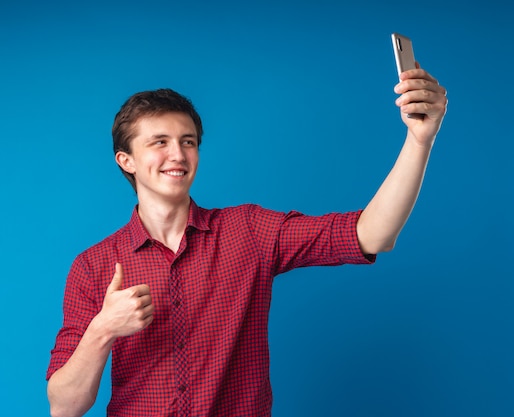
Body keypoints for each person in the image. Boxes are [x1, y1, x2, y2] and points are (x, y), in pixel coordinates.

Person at [46, 65, 447, 417]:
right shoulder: (94, 266)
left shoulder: (249, 231)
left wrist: (419, 140)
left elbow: (372, 234)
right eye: (159, 142)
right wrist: (103, 329)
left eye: (188, 141)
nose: (178, 154)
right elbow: (64, 406)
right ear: (126, 161)